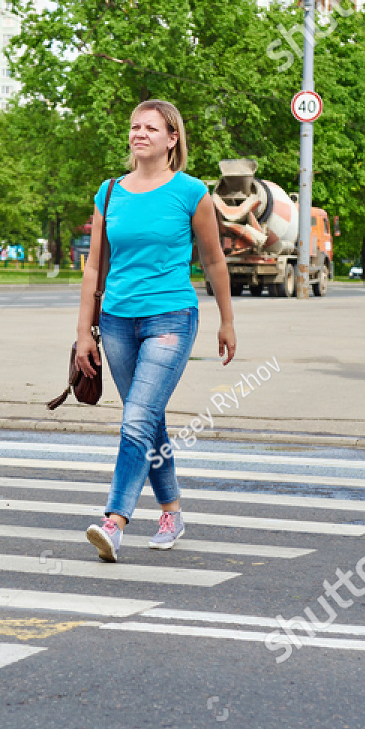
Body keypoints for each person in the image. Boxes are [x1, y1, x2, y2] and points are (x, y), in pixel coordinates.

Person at [75, 100, 236, 563]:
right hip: (118, 321)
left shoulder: (191, 193)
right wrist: (84, 331)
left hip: (171, 317)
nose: (139, 133)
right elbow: (94, 268)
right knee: (148, 420)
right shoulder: (109, 193)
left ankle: (114, 521)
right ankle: (172, 511)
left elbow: (213, 260)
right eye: (134, 126)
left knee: (137, 418)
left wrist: (227, 320)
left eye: (151, 127)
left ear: (172, 139)